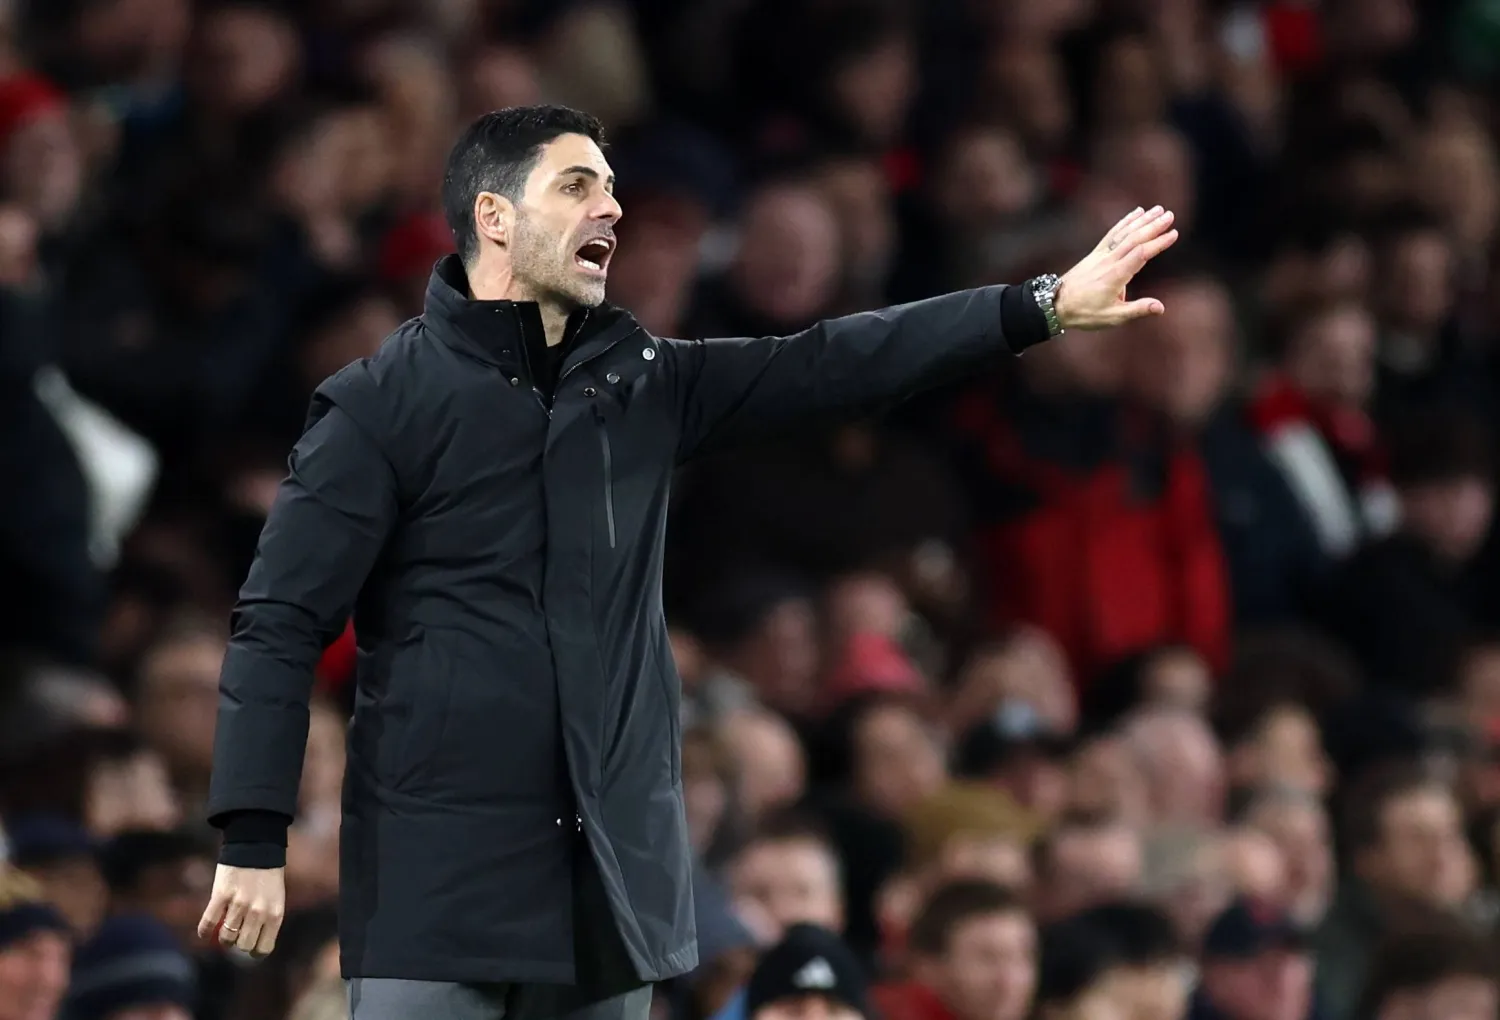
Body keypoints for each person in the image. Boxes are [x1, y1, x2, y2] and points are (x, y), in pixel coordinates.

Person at [196, 103, 1180, 1020]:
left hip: (613, 891)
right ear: (492, 218)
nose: (613, 210)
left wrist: (1039, 306)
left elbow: (836, 361)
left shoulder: (644, 386)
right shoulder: (377, 409)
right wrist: (253, 833)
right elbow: (279, 621)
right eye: (578, 186)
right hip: (439, 890)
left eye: (612, 187)